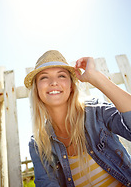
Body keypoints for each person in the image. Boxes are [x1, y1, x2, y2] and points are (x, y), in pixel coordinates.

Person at [24, 50, 131, 187]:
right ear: (37, 90)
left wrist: (95, 77)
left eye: (61, 76)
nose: (53, 82)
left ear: (71, 86)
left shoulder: (96, 112)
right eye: (44, 77)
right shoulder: (38, 144)